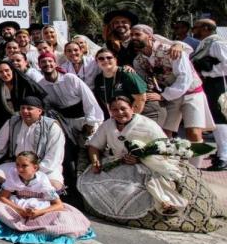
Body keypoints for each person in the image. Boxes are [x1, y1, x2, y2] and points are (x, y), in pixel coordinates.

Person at [79, 96, 224, 232]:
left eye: (123, 108)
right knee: (100, 186)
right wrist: (95, 161)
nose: (120, 113)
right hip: (117, 163)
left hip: (147, 163)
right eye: (115, 110)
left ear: (132, 108)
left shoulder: (147, 125)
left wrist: (140, 158)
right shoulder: (108, 125)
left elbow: (163, 147)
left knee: (139, 187)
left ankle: (166, 204)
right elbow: (94, 146)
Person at [131, 24, 213, 163]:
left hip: (191, 93)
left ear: (149, 36)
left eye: (137, 34)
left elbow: (184, 77)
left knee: (193, 132)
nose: (134, 38)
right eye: (132, 35)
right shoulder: (138, 61)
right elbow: (146, 81)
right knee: (164, 132)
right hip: (169, 96)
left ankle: (194, 171)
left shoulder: (171, 50)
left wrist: (164, 96)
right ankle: (169, 167)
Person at [0, 151, 92, 244]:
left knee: (62, 216)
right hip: (16, 207)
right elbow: (3, 197)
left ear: (35, 167)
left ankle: (36, 226)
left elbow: (58, 204)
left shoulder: (43, 180)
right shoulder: (13, 175)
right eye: (17, 165)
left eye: (24, 166)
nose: (19, 169)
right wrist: (19, 210)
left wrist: (38, 212)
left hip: (39, 210)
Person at [0, 96, 66, 190]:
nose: (25, 111)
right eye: (22, 108)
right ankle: (17, 196)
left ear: (39, 111)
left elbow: (55, 155)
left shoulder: (52, 127)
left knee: (54, 184)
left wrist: (33, 170)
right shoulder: (13, 122)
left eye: (29, 108)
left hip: (43, 167)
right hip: (19, 165)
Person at [0, 61, 48, 143]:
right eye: (0, 72)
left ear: (12, 70)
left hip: (27, 119)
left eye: (7, 70)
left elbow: (41, 100)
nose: (4, 74)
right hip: (6, 122)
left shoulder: (26, 84)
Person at [191, 19, 227, 171]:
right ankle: (221, 151)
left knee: (220, 119)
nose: (193, 30)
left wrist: (206, 71)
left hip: (218, 83)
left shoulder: (217, 43)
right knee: (214, 119)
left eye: (196, 27)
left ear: (206, 28)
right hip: (209, 83)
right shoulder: (206, 43)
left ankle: (224, 157)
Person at [92, 47, 147, 118]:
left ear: (115, 60)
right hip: (118, 116)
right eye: (101, 59)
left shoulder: (126, 73)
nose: (105, 60)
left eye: (109, 58)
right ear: (97, 62)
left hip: (141, 112)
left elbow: (141, 98)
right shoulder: (98, 79)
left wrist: (131, 119)